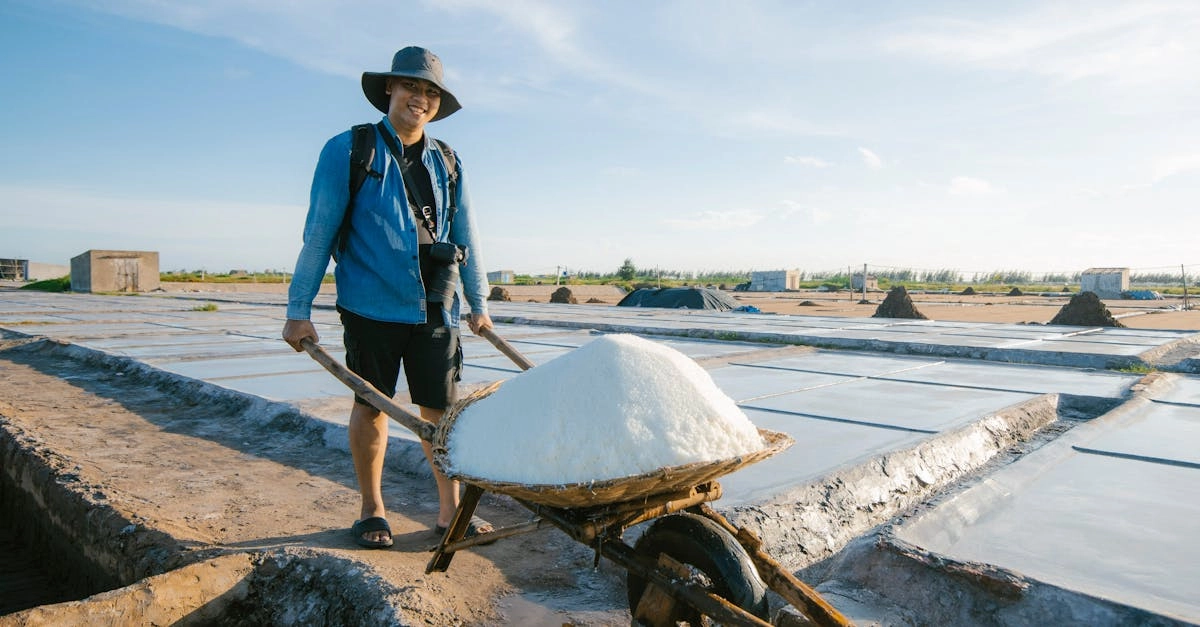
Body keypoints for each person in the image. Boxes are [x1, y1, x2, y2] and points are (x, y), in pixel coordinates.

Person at [282, 46, 493, 549]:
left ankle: (450, 512)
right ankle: (372, 509)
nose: (420, 98)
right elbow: (319, 232)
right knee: (372, 405)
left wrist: (479, 304)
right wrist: (298, 311)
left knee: (440, 411)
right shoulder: (350, 149)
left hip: (436, 305)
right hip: (370, 305)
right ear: (389, 90)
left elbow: (467, 233)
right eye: (411, 86)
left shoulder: (448, 160)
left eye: (430, 91)